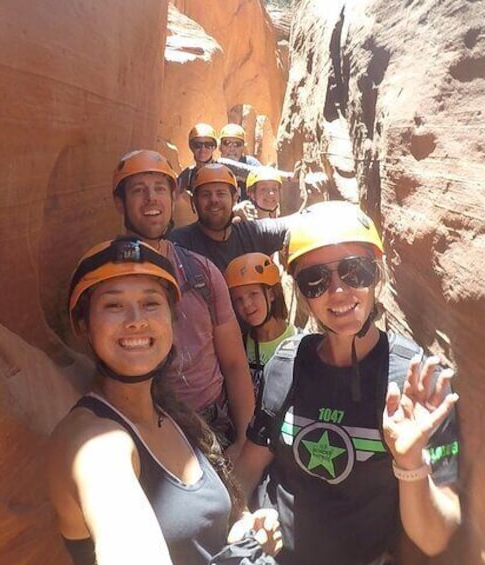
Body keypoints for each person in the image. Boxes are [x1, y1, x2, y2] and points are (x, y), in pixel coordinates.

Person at [234, 202, 462, 564]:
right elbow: (248, 465)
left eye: (355, 272)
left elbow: (434, 539)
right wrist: (241, 522)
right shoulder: (286, 364)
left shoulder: (415, 383)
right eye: (315, 279)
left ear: (377, 277)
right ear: (301, 292)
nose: (338, 291)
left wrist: (409, 460)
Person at [49, 238, 281, 565]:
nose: (136, 320)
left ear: (173, 322)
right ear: (84, 326)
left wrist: (244, 538)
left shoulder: (169, 413)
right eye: (114, 306)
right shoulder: (95, 445)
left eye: (151, 303)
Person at [112, 150, 254, 459]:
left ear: (173, 197)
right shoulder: (104, 280)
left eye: (160, 189)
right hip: (148, 430)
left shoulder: (201, 271)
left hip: (214, 425)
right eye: (139, 190)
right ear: (120, 203)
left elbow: (234, 363)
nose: (152, 199)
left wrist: (245, 438)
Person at [169, 163, 289, 274]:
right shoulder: (178, 245)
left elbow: (292, 224)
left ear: (235, 198)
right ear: (194, 201)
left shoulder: (251, 233)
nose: (214, 200)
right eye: (206, 194)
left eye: (221, 193)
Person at [224, 252, 299, 403]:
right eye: (238, 299)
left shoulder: (300, 342)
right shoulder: (238, 348)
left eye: (253, 294)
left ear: (271, 294)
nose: (246, 305)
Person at [217, 123, 262, 200]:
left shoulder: (251, 163)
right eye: (227, 143)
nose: (232, 148)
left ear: (243, 147)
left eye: (237, 144)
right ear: (220, 146)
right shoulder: (214, 168)